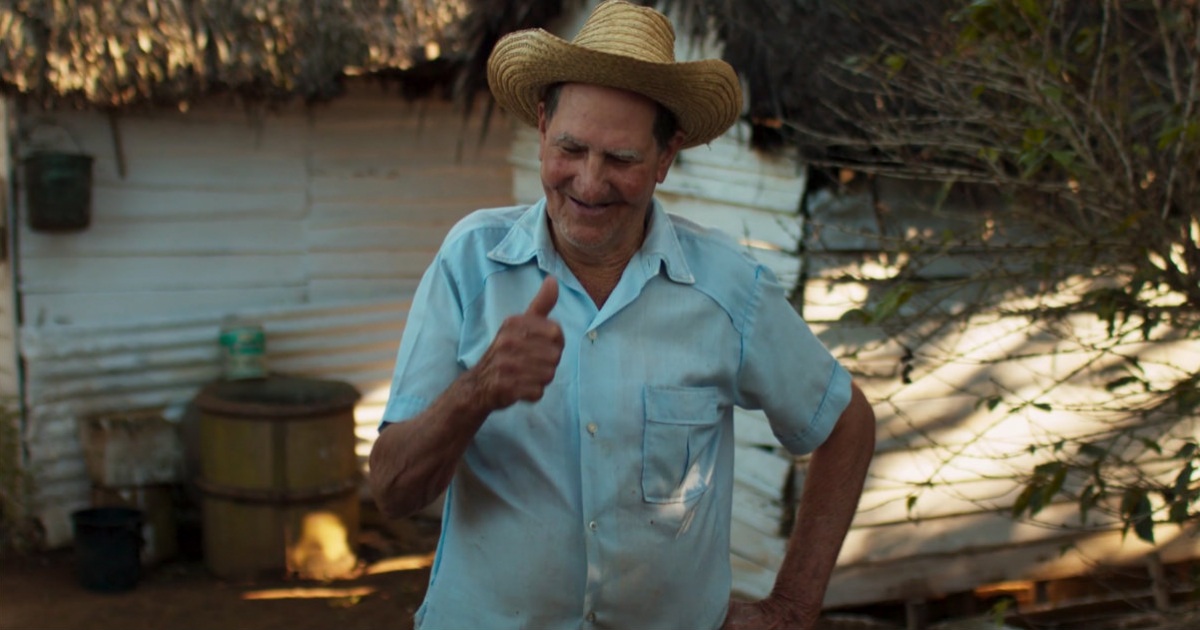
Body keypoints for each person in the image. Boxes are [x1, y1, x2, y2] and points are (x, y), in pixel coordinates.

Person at [368, 2, 876, 629]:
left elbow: (845, 423)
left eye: (622, 159)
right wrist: (478, 390)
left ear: (666, 158)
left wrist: (794, 607)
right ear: (541, 125)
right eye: (571, 148)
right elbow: (392, 491)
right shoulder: (472, 265)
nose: (588, 181)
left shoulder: (727, 288)